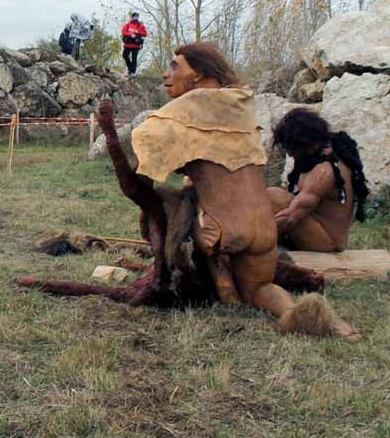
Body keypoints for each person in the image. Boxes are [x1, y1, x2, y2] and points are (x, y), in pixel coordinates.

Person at [131, 42, 360, 339]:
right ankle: (299, 313)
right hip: (263, 228)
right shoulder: (240, 102)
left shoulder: (188, 106)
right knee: (261, 288)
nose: (166, 74)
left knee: (183, 204)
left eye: (175, 66)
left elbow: (142, 155)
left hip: (224, 229)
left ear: (199, 73)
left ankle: (218, 269)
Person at [266, 109, 369, 252]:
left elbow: (290, 218)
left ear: (304, 144)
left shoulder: (324, 172)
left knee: (274, 197)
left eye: (290, 148)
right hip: (317, 230)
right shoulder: (319, 156)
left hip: (327, 242)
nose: (289, 153)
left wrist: (254, 236)